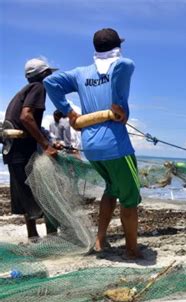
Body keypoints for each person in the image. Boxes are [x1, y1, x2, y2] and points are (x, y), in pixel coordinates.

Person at [44, 28, 142, 259]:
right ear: (118, 47)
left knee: (111, 189)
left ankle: (100, 240)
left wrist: (69, 111)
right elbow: (126, 64)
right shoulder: (120, 65)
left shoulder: (81, 73)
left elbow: (50, 82)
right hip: (116, 145)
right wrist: (117, 103)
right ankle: (132, 250)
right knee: (130, 199)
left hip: (91, 147)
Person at [2, 58, 59, 239]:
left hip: (12, 152)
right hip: (21, 152)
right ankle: (52, 237)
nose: (50, 78)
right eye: (49, 74)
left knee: (25, 196)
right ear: (43, 75)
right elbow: (26, 117)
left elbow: (26, 123)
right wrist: (45, 146)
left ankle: (33, 237)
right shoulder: (38, 88)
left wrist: (48, 140)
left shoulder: (22, 92)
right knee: (44, 192)